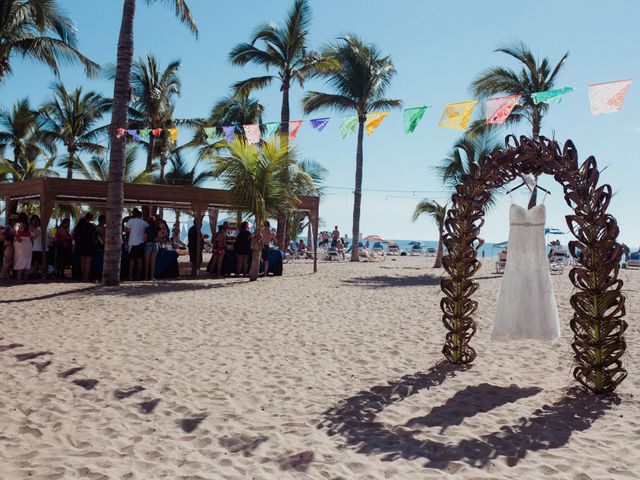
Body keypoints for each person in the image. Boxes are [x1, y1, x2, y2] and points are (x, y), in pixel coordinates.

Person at [73, 212, 97, 282]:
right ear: (91, 218)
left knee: (82, 262)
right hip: (89, 245)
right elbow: (94, 235)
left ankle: (83, 276)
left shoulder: (79, 225)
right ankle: (86, 278)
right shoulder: (91, 226)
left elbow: (75, 234)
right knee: (88, 262)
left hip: (81, 245)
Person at [125, 208, 148, 281]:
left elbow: (126, 230)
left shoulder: (131, 221)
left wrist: (130, 231)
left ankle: (130, 276)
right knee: (139, 260)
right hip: (141, 242)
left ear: (134, 215)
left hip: (132, 242)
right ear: (141, 216)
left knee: (132, 260)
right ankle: (138, 277)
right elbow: (147, 229)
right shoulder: (144, 223)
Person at [13, 213, 33, 281]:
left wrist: (17, 237)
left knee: (20, 259)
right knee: (28, 259)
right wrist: (33, 239)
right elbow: (38, 233)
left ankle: (19, 277)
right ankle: (26, 277)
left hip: (21, 242)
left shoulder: (18, 224)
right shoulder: (29, 226)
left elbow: (14, 230)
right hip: (28, 242)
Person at [144, 216, 162, 280]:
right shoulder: (158, 228)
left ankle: (146, 277)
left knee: (147, 262)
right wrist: (155, 239)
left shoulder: (147, 228)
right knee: (153, 262)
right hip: (155, 244)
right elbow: (159, 237)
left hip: (148, 244)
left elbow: (145, 238)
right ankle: (152, 277)